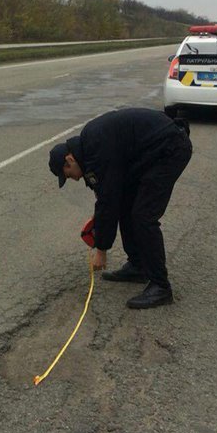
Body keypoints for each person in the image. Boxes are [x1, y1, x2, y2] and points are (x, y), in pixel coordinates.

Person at [48, 107, 192, 309]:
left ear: (69, 160)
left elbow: (108, 198)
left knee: (143, 216)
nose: (75, 179)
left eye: (69, 175)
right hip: (150, 153)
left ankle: (161, 286)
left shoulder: (95, 147)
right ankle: (138, 265)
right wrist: (99, 218)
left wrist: (101, 250)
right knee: (126, 204)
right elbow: (109, 195)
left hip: (170, 150)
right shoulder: (90, 149)